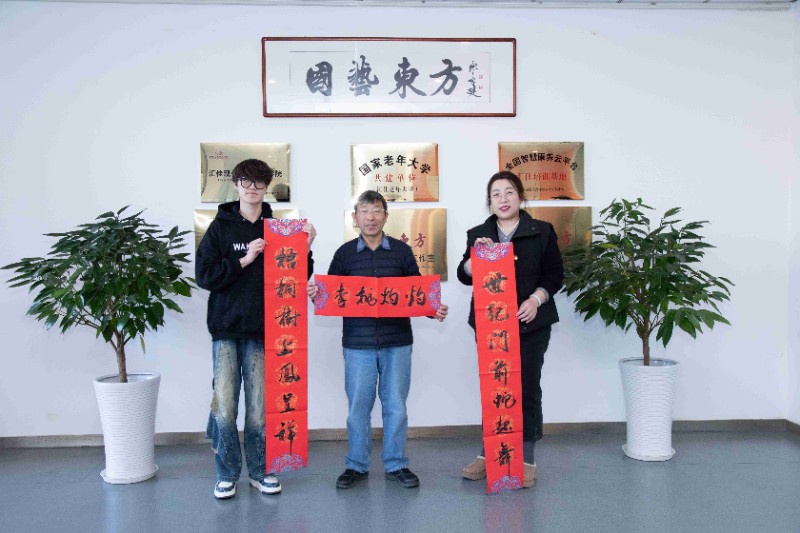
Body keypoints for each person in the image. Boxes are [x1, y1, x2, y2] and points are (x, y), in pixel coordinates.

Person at [307, 190, 448, 490]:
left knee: (396, 405)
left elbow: (415, 293)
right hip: (357, 344)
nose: (370, 217)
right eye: (364, 211)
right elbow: (330, 297)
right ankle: (356, 465)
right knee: (358, 406)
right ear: (355, 217)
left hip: (397, 342)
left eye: (376, 211)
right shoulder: (344, 254)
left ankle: (396, 463)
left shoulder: (401, 252)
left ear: (385, 216)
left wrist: (432, 309)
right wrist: (315, 294)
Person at [196, 158, 316, 500]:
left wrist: (305, 246)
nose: (252, 188)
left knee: (260, 410)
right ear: (236, 185)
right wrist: (244, 259)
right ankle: (227, 474)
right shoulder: (220, 227)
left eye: (259, 183)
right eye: (246, 182)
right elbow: (204, 275)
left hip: (266, 331)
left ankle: (262, 470)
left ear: (266, 188)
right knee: (225, 407)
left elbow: (296, 277)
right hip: (225, 329)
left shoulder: (277, 229)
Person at [456, 171, 564, 489]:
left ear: (520, 197)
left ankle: (526, 458)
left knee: (526, 388)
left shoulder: (542, 231)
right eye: (496, 194)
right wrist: (473, 259)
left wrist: (536, 299)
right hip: (491, 326)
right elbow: (464, 275)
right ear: (489, 201)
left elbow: (555, 275)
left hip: (531, 324)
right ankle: (488, 454)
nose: (502, 199)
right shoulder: (478, 234)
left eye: (509, 192)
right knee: (495, 388)